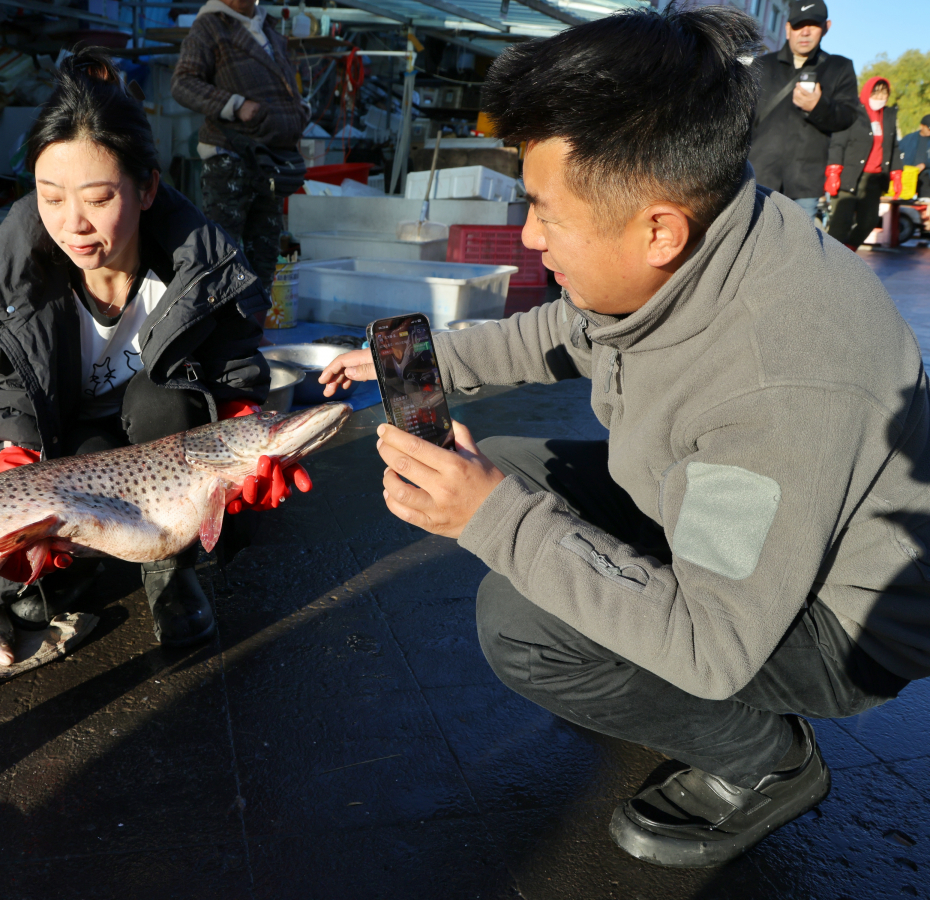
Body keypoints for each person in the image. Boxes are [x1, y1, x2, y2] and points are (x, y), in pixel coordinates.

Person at [320, 5, 930, 869]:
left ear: (657, 229)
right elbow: (564, 330)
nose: (530, 237)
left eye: (544, 213)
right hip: (734, 515)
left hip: (835, 623)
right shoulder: (712, 231)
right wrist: (428, 366)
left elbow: (713, 643)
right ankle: (623, 672)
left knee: (525, 617)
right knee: (516, 468)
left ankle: (765, 762)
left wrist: (491, 518)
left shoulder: (775, 377)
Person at [0, 48, 301, 647]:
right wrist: (13, 454)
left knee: (166, 397)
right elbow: (5, 396)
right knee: (30, 599)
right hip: (71, 444)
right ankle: (86, 564)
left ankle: (170, 569)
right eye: (50, 197)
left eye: (99, 198)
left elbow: (234, 367)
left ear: (148, 189)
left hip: (165, 439)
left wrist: (243, 430)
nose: (73, 223)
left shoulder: (203, 268)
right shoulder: (7, 280)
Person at [171, 0, 310, 300]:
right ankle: (223, 337)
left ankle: (254, 335)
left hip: (271, 158)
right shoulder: (210, 25)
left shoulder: (266, 26)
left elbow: (285, 82)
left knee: (265, 251)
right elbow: (182, 83)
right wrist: (236, 105)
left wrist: (299, 109)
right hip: (231, 154)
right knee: (223, 251)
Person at [747, 0, 859, 219]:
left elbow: (848, 116)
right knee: (751, 243)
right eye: (799, 25)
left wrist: (818, 106)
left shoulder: (839, 67)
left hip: (805, 183)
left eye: (813, 24)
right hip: (758, 176)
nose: (805, 32)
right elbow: (741, 118)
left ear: (826, 27)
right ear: (788, 29)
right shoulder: (761, 65)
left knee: (796, 250)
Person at [825, 77, 904, 250]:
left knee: (869, 221)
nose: (880, 97)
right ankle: (828, 259)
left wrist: (897, 174)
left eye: (884, 93)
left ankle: (848, 251)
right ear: (867, 92)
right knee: (841, 223)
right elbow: (838, 142)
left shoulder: (889, 115)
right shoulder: (853, 113)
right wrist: (833, 172)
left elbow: (894, 146)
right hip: (850, 176)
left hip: (874, 180)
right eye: (876, 92)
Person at [898, 114, 930, 198]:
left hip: (926, 177)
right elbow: (897, 153)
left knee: (925, 202)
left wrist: (925, 164)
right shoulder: (909, 138)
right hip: (908, 176)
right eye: (929, 129)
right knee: (906, 201)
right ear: (921, 126)